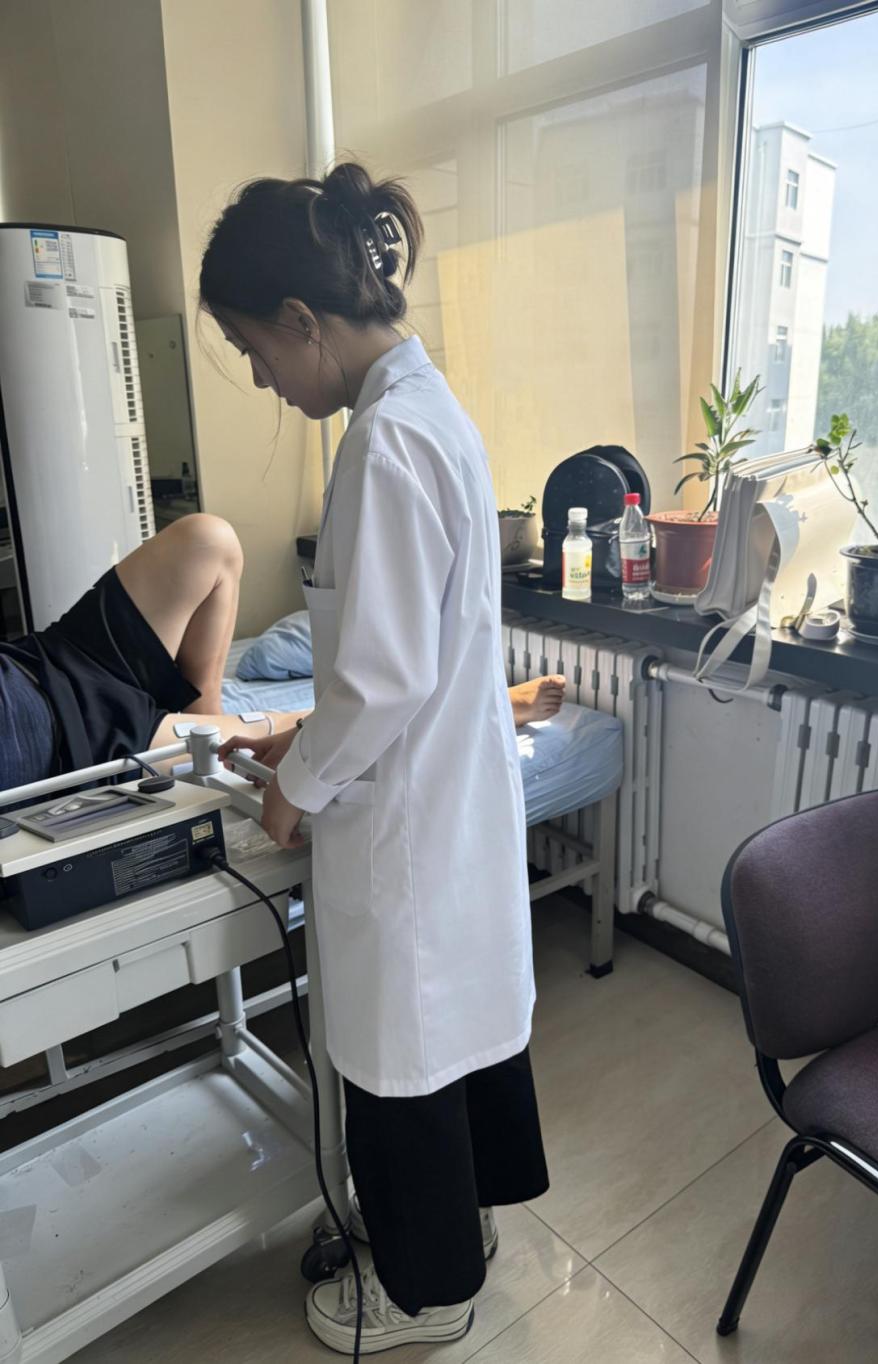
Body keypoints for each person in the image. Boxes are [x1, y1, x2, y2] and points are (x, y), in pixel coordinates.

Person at [202, 162, 550, 1354]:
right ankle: (464, 1226)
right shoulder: (430, 412)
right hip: (444, 800)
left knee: (404, 1058)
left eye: (254, 351)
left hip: (405, 820)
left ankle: (426, 1290)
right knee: (449, 1040)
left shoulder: (385, 444)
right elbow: (403, 656)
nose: (262, 378)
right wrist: (298, 738)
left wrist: (292, 788)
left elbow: (383, 678)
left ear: (303, 320)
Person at [0, 514, 307, 792]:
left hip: (45, 661)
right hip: (79, 740)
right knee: (293, 732)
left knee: (209, 540)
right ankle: (207, 737)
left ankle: (206, 715)